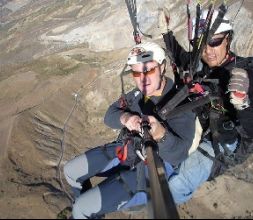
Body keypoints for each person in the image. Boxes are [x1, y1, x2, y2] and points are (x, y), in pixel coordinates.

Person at [63, 41, 204, 219]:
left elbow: (178, 154)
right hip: (127, 150)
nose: (142, 78)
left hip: (151, 170)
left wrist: (161, 134)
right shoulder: (137, 96)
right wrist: (126, 118)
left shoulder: (181, 104)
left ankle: (85, 211)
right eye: (136, 72)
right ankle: (89, 212)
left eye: (148, 70)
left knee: (81, 209)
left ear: (162, 67)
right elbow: (109, 115)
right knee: (70, 171)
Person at [157, 6, 253, 203]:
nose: (208, 51)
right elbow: (180, 57)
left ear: (228, 38)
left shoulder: (245, 71)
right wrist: (166, 33)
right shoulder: (199, 66)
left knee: (177, 183)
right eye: (201, 44)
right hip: (199, 124)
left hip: (226, 139)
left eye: (215, 41)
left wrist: (243, 103)